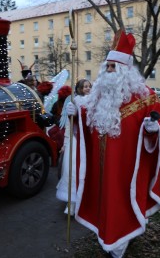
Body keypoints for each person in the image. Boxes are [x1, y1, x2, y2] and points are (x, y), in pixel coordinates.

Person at [66, 30, 160, 257]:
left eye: (114, 67)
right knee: (104, 202)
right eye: (107, 67)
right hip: (102, 169)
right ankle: (107, 235)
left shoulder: (144, 96)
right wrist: (73, 113)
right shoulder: (96, 97)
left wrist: (153, 130)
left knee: (124, 202)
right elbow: (84, 125)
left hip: (128, 168)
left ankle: (123, 238)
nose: (109, 71)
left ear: (125, 70)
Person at [56, 79, 92, 216]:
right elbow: (69, 126)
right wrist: (65, 144)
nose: (87, 89)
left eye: (89, 86)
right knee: (71, 172)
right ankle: (71, 202)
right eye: (85, 87)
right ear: (79, 89)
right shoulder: (74, 102)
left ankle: (86, 200)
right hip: (76, 142)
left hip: (89, 143)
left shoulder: (94, 102)